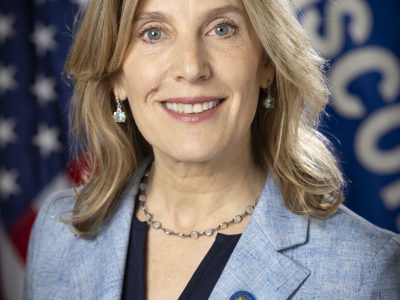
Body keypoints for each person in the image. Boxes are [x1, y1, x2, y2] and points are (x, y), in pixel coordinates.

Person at [24, 0, 400, 299]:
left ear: (267, 63)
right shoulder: (58, 234)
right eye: (153, 33)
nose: (191, 67)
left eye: (222, 29)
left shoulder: (365, 270)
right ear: (116, 75)